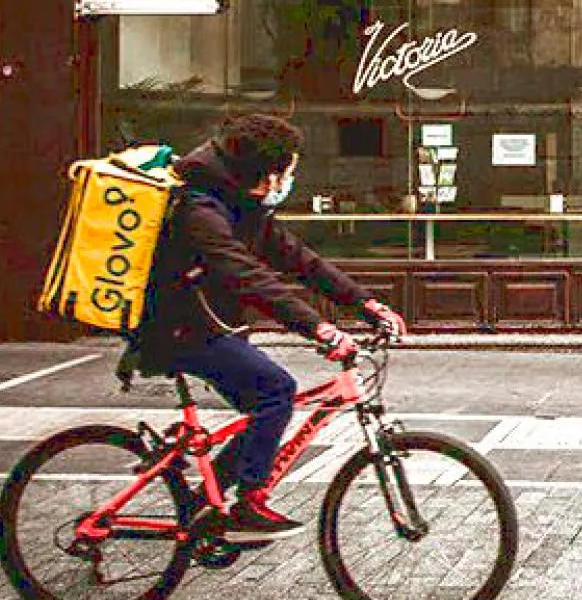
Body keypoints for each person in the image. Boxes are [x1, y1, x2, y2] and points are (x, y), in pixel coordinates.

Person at [132, 113, 408, 541]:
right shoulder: (199, 209)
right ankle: (249, 502)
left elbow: (298, 259)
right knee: (274, 391)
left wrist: (364, 303)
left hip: (202, 323)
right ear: (267, 174)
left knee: (266, 401)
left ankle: (205, 504)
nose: (291, 179)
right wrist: (320, 329)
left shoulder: (238, 202)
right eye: (289, 171)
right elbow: (249, 277)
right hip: (173, 329)